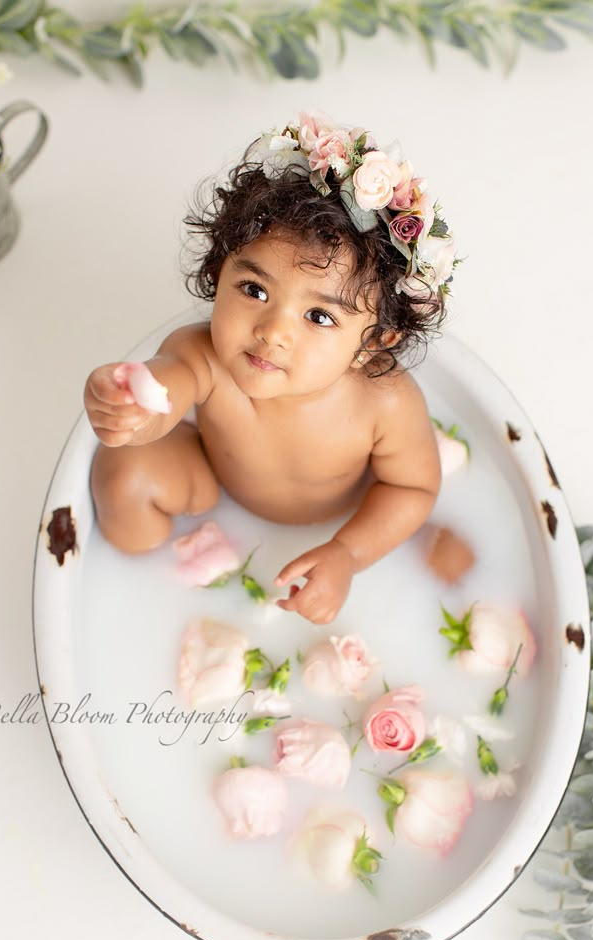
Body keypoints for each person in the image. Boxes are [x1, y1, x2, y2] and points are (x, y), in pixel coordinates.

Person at [84, 110, 466, 625]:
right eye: (254, 290)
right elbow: (167, 389)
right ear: (219, 274)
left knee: (441, 546)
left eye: (319, 316)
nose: (273, 331)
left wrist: (349, 554)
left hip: (345, 516)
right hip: (217, 482)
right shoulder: (204, 355)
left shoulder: (385, 402)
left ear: (373, 342)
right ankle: (142, 598)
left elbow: (413, 487)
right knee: (121, 470)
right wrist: (129, 401)